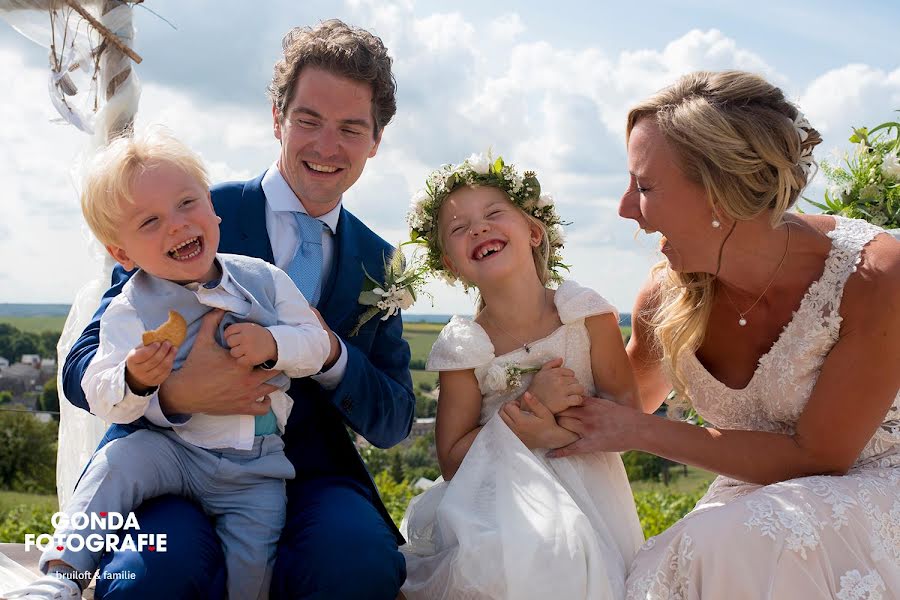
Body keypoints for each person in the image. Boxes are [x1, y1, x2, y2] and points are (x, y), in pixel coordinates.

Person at [57, 20, 415, 599]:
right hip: (175, 462)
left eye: (351, 128)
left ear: (376, 140)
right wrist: (173, 394)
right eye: (308, 120)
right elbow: (82, 364)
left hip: (312, 478)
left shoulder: (380, 264)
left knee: (359, 564)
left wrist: (327, 354)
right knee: (148, 573)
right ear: (278, 118)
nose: (327, 146)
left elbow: (395, 419)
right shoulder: (185, 211)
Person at [548, 70, 900, 598]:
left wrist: (638, 433)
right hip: (750, 509)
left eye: (644, 187)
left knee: (725, 543)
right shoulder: (666, 297)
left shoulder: (875, 276)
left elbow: (822, 457)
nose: (625, 209)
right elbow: (620, 404)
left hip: (872, 491)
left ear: (719, 192)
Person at [3, 128, 332, 600]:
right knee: (117, 463)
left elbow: (316, 345)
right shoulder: (131, 308)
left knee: (254, 561)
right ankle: (60, 577)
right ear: (122, 254)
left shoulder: (264, 280)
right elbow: (101, 392)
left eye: (186, 203)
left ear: (212, 206)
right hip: (171, 451)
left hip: (255, 465)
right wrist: (133, 379)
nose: (176, 225)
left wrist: (273, 343)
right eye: (150, 222)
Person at [400, 154, 645, 599]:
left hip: (589, 491)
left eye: (494, 214)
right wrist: (529, 408)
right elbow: (453, 461)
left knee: (574, 556)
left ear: (534, 232)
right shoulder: (465, 346)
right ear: (451, 265)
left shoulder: (584, 314)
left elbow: (629, 417)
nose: (477, 228)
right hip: (494, 499)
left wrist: (553, 429)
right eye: (459, 229)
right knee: (522, 560)